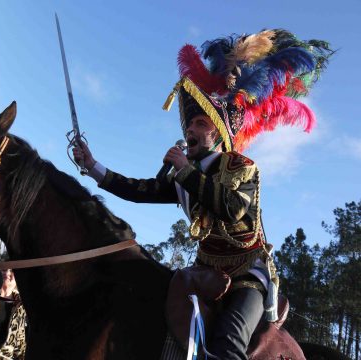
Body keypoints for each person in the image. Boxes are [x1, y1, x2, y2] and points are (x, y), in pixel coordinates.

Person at [74, 29, 332, 359]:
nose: (190, 130)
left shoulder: (242, 167)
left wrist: (183, 169)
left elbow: (232, 207)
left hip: (247, 276)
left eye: (198, 123)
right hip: (203, 270)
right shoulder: (184, 176)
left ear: (217, 130)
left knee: (229, 340)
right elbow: (140, 191)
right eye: (189, 125)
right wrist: (92, 165)